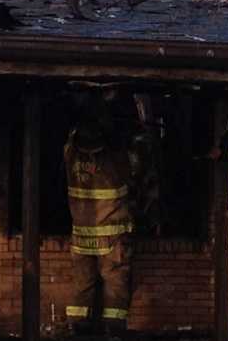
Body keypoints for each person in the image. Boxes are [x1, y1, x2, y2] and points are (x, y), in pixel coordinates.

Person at [64, 112, 134, 338]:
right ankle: (113, 331)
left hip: (81, 235)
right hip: (112, 236)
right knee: (115, 284)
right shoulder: (115, 159)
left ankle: (78, 327)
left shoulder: (70, 154)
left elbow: (70, 139)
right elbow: (132, 171)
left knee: (82, 285)